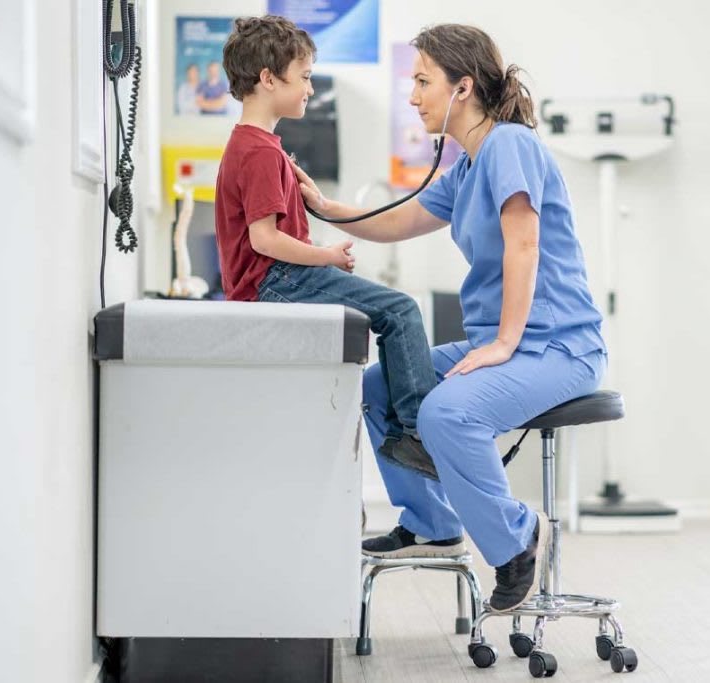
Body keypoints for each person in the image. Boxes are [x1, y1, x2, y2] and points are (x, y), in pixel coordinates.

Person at [292, 24, 608, 612]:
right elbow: (398, 219)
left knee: (447, 412)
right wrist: (323, 206)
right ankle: (432, 521)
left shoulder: (511, 145)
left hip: (559, 348)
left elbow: (524, 245)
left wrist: (502, 342)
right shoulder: (465, 168)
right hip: (509, 344)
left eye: (421, 81)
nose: (412, 96)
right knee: (376, 385)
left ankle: (517, 538)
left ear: (462, 88)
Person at [214, 15, 442, 480]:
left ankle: (407, 431)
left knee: (395, 311)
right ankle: (417, 434)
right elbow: (265, 240)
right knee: (400, 311)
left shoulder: (259, 147)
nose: (311, 90)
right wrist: (328, 256)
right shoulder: (258, 152)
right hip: (274, 282)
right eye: (304, 77)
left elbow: (270, 233)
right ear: (268, 78)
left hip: (275, 279)